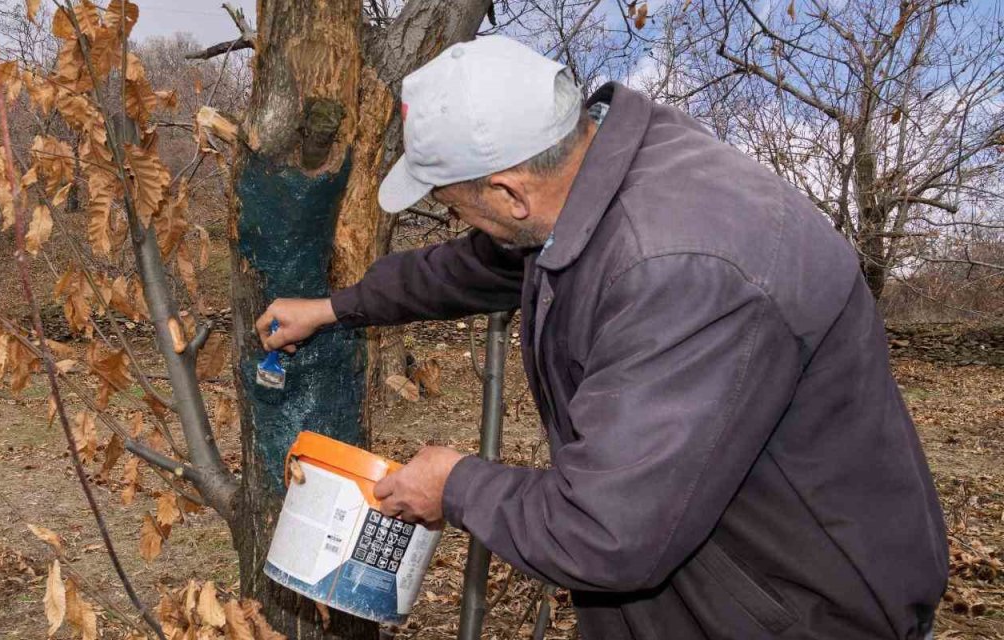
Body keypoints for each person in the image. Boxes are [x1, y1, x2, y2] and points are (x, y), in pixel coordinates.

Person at [256, 35, 947, 639]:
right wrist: (337, 306)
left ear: (509, 193)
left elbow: (605, 530)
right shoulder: (602, 175)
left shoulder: (678, 272)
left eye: (454, 203)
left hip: (789, 610)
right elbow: (483, 263)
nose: (456, 219)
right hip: (717, 576)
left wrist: (458, 485)